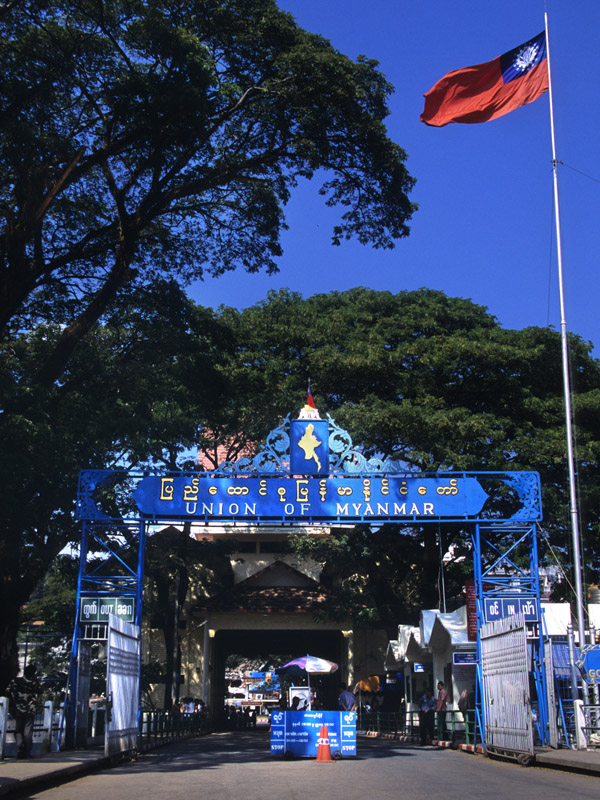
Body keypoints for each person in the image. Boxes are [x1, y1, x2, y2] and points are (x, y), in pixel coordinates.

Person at [7, 664, 43, 759]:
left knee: (18, 730)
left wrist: (12, 702)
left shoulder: (15, 681)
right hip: (30, 709)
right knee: (28, 732)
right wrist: (35, 679)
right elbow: (40, 691)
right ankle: (27, 752)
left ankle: (20, 747)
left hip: (18, 709)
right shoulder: (34, 682)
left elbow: (7, 691)